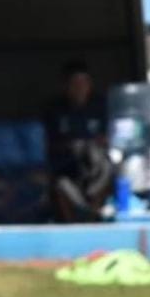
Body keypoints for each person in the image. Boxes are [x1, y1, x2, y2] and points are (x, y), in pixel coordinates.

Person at [44, 60, 115, 222]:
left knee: (107, 168)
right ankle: (71, 224)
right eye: (74, 83)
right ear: (65, 86)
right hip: (67, 165)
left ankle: (95, 215)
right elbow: (49, 144)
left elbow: (110, 138)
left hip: (95, 166)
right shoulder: (55, 110)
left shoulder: (100, 106)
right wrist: (73, 146)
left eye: (84, 83)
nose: (80, 88)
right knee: (60, 184)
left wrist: (92, 144)